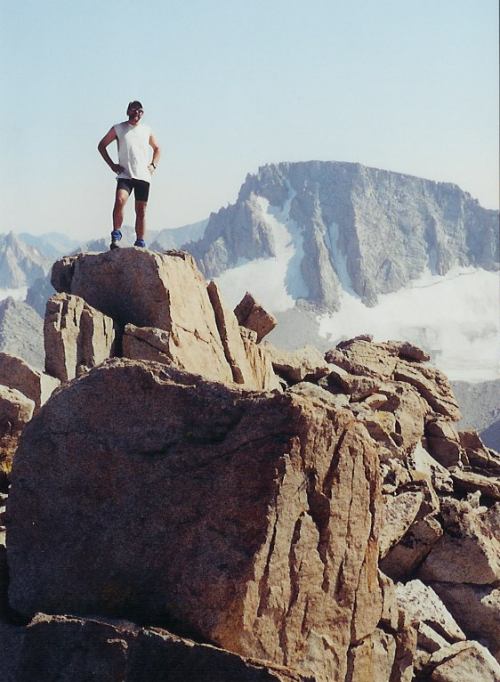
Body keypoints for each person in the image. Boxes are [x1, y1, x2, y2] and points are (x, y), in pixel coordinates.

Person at [98, 101, 161, 249]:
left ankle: (140, 242)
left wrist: (153, 165)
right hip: (125, 175)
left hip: (143, 176)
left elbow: (157, 148)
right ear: (128, 111)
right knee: (120, 200)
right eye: (134, 110)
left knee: (141, 209)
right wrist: (112, 165)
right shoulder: (118, 128)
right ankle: (116, 235)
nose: (137, 114)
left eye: (140, 111)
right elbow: (101, 145)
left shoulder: (147, 130)